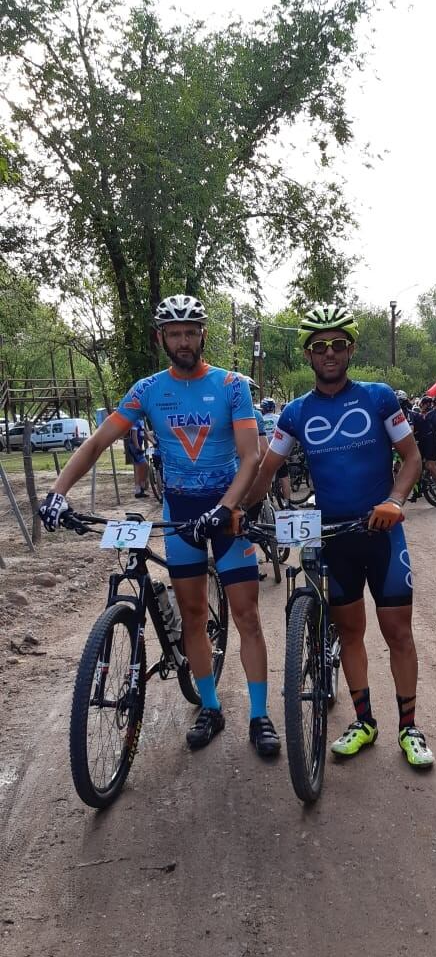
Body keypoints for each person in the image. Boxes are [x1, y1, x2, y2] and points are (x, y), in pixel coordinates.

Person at [39, 293, 281, 758]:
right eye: (175, 333)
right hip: (180, 511)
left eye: (191, 332)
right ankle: (210, 708)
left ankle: (259, 714)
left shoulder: (232, 385)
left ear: (202, 335)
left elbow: (251, 456)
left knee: (248, 615)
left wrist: (227, 505)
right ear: (162, 338)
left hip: (226, 512)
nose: (184, 340)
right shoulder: (148, 390)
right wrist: (58, 491)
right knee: (192, 615)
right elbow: (96, 442)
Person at [244, 302, 433, 769]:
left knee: (398, 634)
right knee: (350, 633)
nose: (329, 353)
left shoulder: (380, 397)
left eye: (338, 344)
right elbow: (268, 469)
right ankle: (364, 722)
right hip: (335, 536)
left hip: (381, 533)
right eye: (319, 346)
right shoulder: (295, 413)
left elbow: (411, 458)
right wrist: (241, 513)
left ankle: (409, 727)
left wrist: (395, 501)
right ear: (308, 354)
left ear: (350, 349)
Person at [259, 397, 291, 503]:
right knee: (284, 477)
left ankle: (269, 501)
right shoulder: (279, 418)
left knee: (265, 477)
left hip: (264, 453)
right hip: (279, 451)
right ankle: (287, 502)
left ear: (263, 408)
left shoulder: (260, 419)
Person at [128, 417, 149, 498]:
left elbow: (145, 434)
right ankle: (143, 483)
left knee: (138, 468)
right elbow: (134, 435)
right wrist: (137, 447)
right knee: (145, 465)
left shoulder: (142, 421)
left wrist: (153, 442)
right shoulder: (136, 420)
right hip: (134, 447)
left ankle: (138, 491)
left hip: (138, 446)